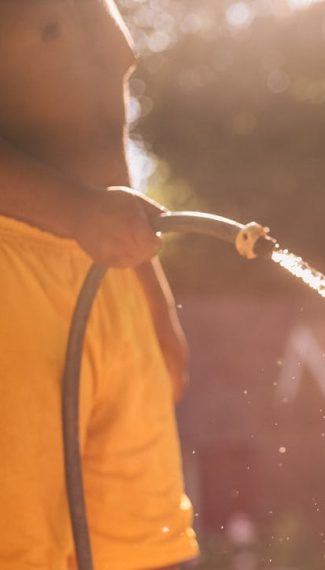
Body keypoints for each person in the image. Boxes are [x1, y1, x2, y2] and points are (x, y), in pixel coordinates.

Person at [0, 1, 198, 568]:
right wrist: (76, 209)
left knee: (148, 542)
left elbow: (105, 151)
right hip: (13, 266)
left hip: (108, 271)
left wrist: (156, 303)